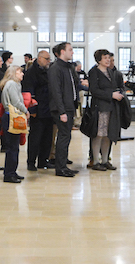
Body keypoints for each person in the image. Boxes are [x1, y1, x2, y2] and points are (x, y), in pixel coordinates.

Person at [87, 49, 124, 171]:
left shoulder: (110, 71)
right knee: (98, 134)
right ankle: (96, 161)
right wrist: (111, 95)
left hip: (110, 107)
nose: (108, 60)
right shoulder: (94, 72)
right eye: (105, 58)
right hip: (100, 107)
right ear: (99, 60)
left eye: (109, 57)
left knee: (108, 134)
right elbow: (95, 90)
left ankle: (105, 160)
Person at [48, 42, 80, 178]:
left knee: (66, 137)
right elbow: (56, 92)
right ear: (62, 51)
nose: (72, 52)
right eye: (70, 50)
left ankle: (63, 165)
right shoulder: (56, 68)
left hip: (69, 107)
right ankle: (60, 168)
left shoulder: (68, 67)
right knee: (63, 137)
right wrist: (62, 112)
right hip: (61, 109)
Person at [23, 50, 52, 170]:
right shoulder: (31, 72)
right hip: (38, 111)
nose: (48, 61)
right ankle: (31, 162)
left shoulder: (47, 71)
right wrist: (32, 110)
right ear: (39, 58)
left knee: (47, 137)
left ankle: (43, 161)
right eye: (46, 59)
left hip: (48, 109)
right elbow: (29, 93)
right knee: (36, 137)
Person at [0, 65, 28, 183]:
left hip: (11, 116)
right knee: (12, 147)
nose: (22, 74)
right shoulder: (11, 84)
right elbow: (16, 102)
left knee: (14, 146)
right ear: (14, 73)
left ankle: (12, 171)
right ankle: (9, 174)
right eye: (20, 72)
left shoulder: (15, 84)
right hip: (11, 116)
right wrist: (26, 111)